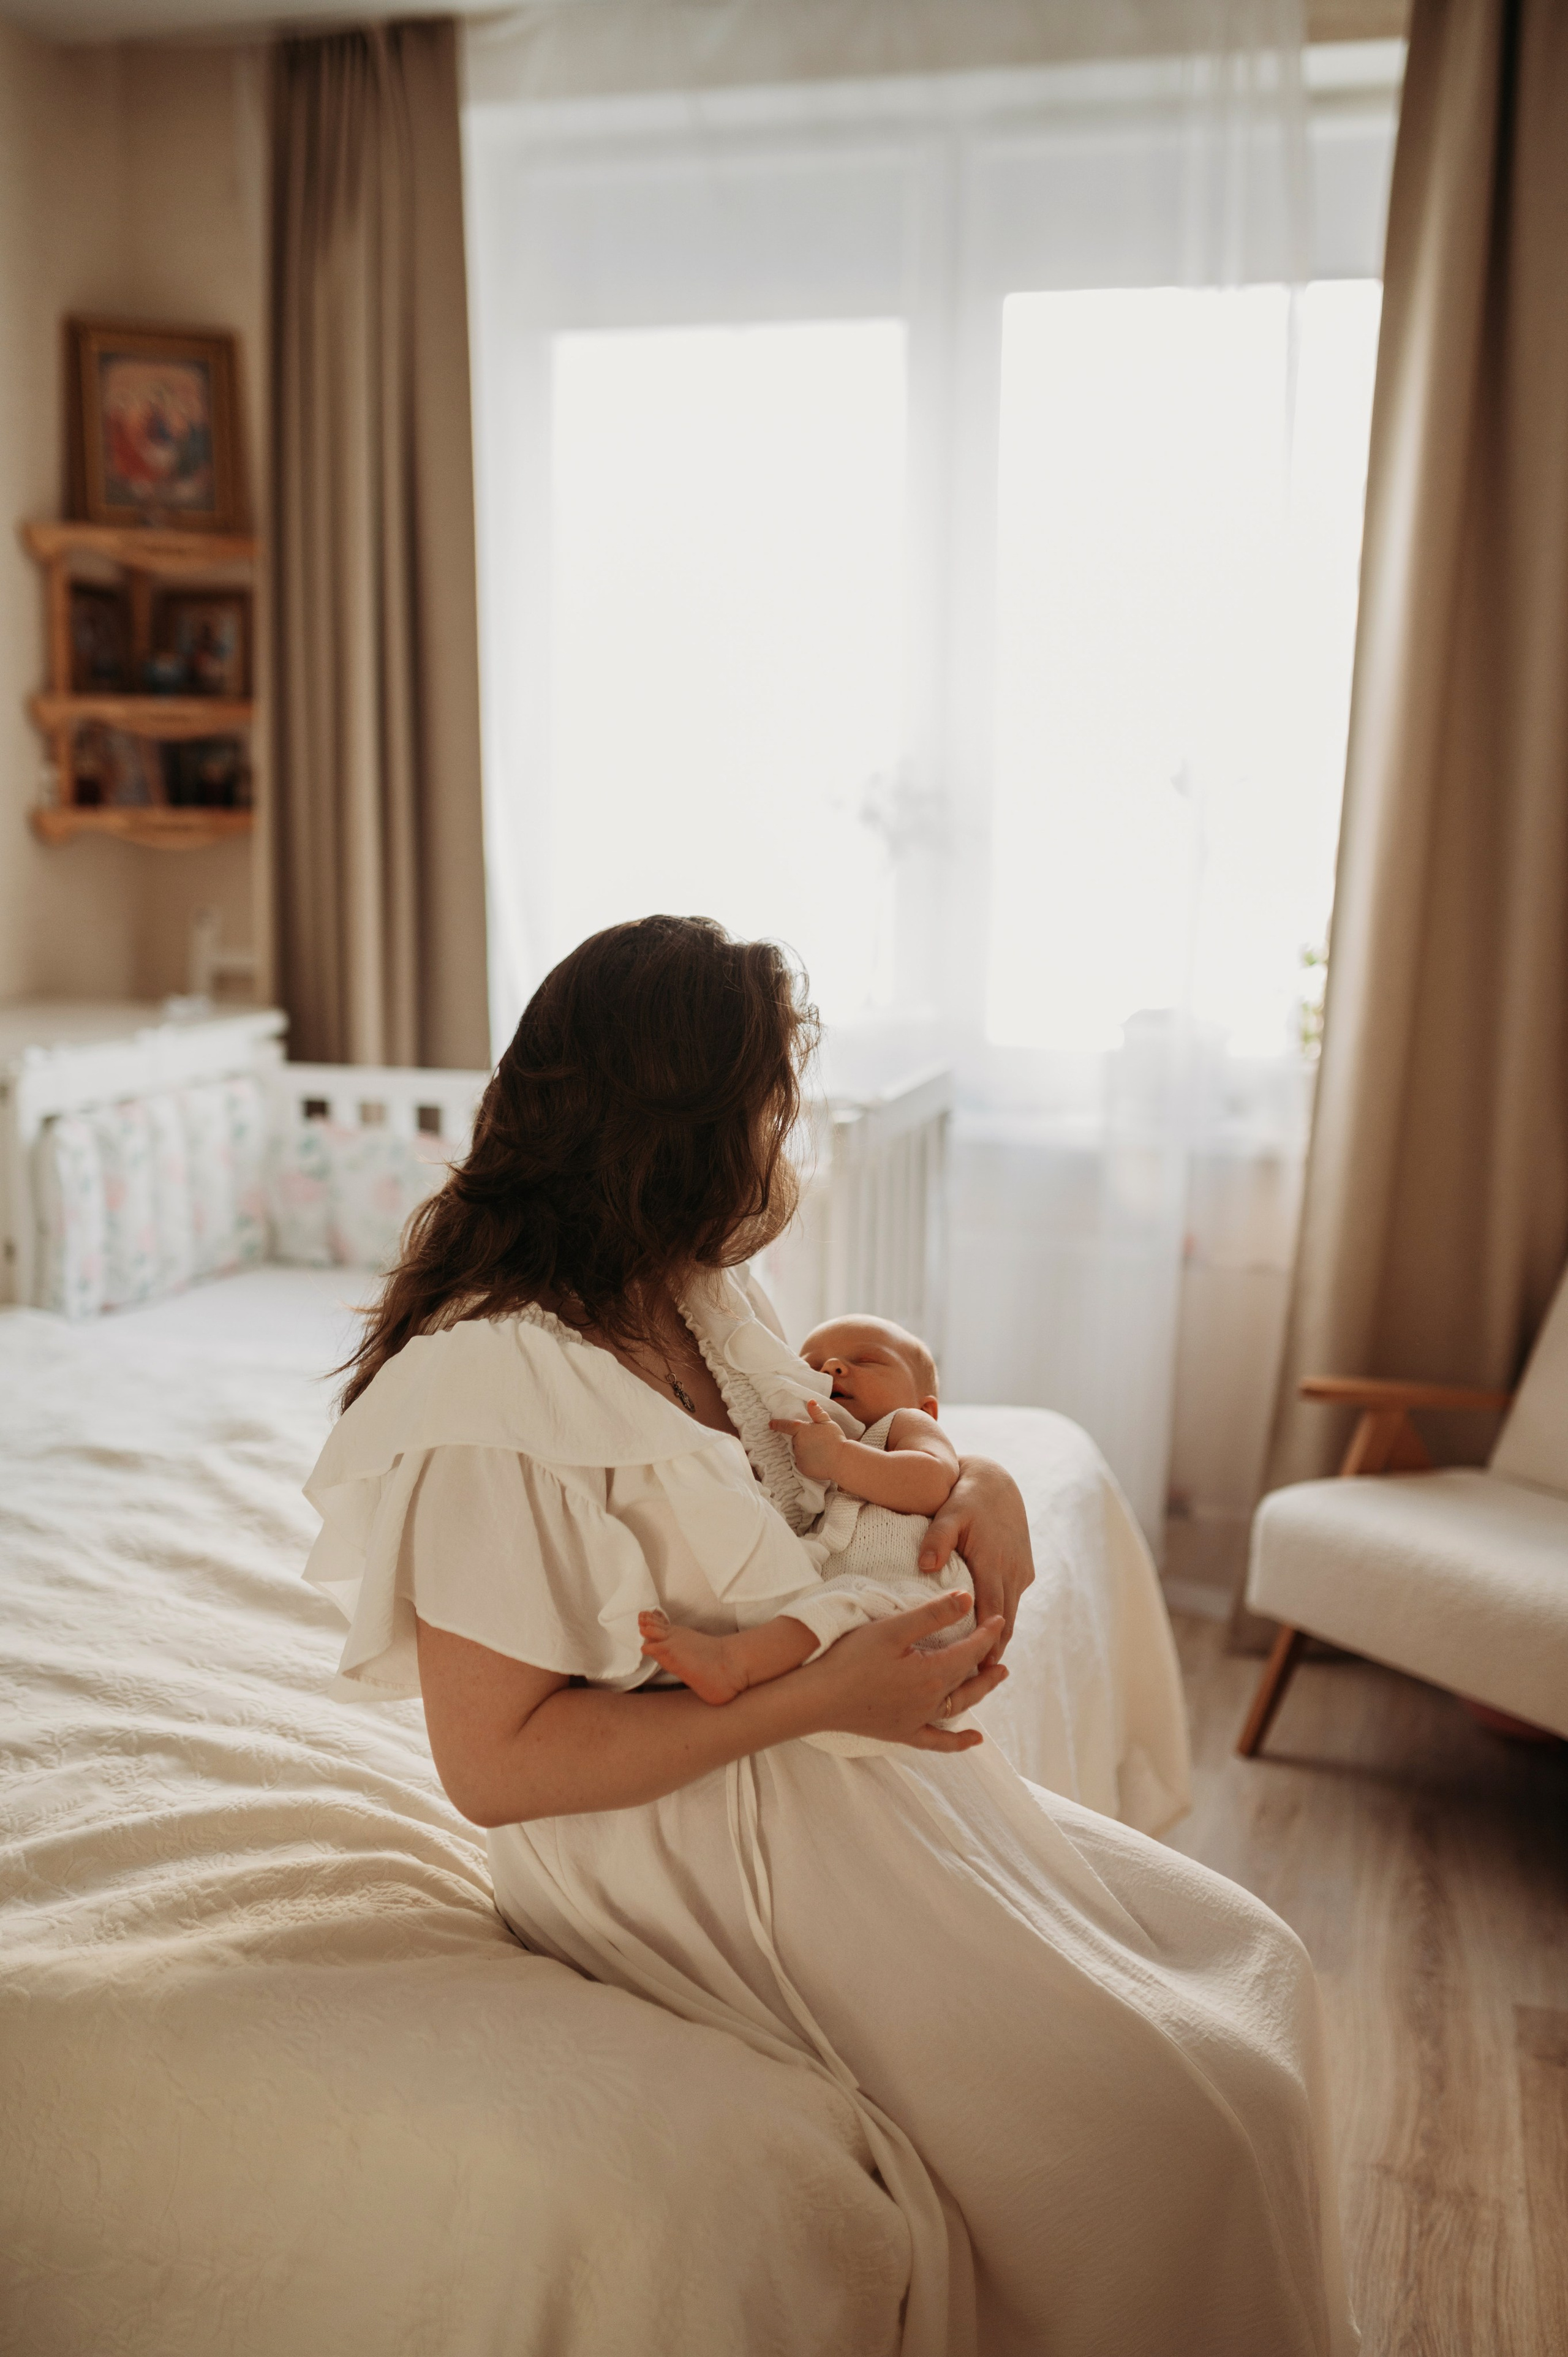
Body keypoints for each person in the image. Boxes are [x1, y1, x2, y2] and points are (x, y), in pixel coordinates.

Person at [304, 914, 1357, 2357]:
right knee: (1185, 2119)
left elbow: (829, 1472)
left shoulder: (685, 1291)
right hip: (686, 1848)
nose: (781, 1142)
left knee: (1253, 1964)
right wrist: (813, 1700)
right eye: (767, 1109)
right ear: (674, 1127)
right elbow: (492, 1763)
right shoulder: (486, 1397)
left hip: (830, 1770)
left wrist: (974, 1481)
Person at [637, 1312, 978, 1712]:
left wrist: (840, 1458)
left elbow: (933, 1484)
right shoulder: (813, 1449)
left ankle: (734, 1664)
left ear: (927, 1406)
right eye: (813, 1366)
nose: (832, 1367)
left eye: (868, 1360)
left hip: (922, 1603)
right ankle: (763, 1676)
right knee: (816, 1611)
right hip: (855, 1638)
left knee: (838, 1606)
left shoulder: (904, 1425)